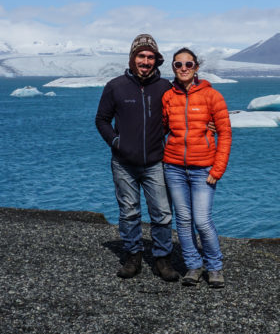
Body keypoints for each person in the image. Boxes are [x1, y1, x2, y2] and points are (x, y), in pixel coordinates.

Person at [95, 34, 179, 282]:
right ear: (132, 58)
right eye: (141, 56)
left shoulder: (165, 88)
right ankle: (133, 256)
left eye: (150, 57)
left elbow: (178, 116)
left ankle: (162, 259)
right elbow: (101, 120)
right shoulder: (116, 86)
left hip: (155, 161)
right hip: (124, 163)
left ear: (157, 60)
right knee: (129, 212)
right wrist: (116, 142)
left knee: (162, 213)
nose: (145, 61)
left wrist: (208, 125)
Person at [162, 48, 232, 288]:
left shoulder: (212, 96)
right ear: (173, 67)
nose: (183, 69)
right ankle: (193, 265)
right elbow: (160, 128)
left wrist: (217, 169)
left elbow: (225, 134)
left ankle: (214, 267)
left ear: (196, 67)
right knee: (183, 220)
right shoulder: (168, 97)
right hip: (173, 168)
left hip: (204, 169)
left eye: (188, 64)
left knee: (202, 221)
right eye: (178, 64)